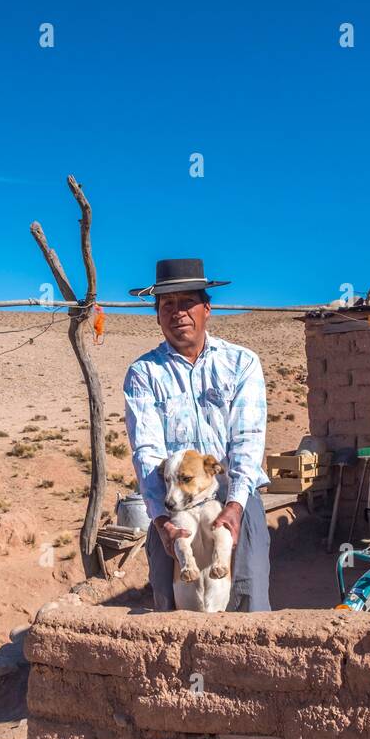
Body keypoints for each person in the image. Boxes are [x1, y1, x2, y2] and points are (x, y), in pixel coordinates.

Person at [123, 258, 271, 611]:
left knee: (247, 600)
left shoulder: (240, 363)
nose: (178, 313)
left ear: (207, 308)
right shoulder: (144, 373)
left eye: (187, 302)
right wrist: (161, 520)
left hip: (236, 496)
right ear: (158, 315)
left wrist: (234, 506)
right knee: (170, 603)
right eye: (167, 305)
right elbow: (146, 451)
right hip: (171, 504)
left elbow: (247, 440)